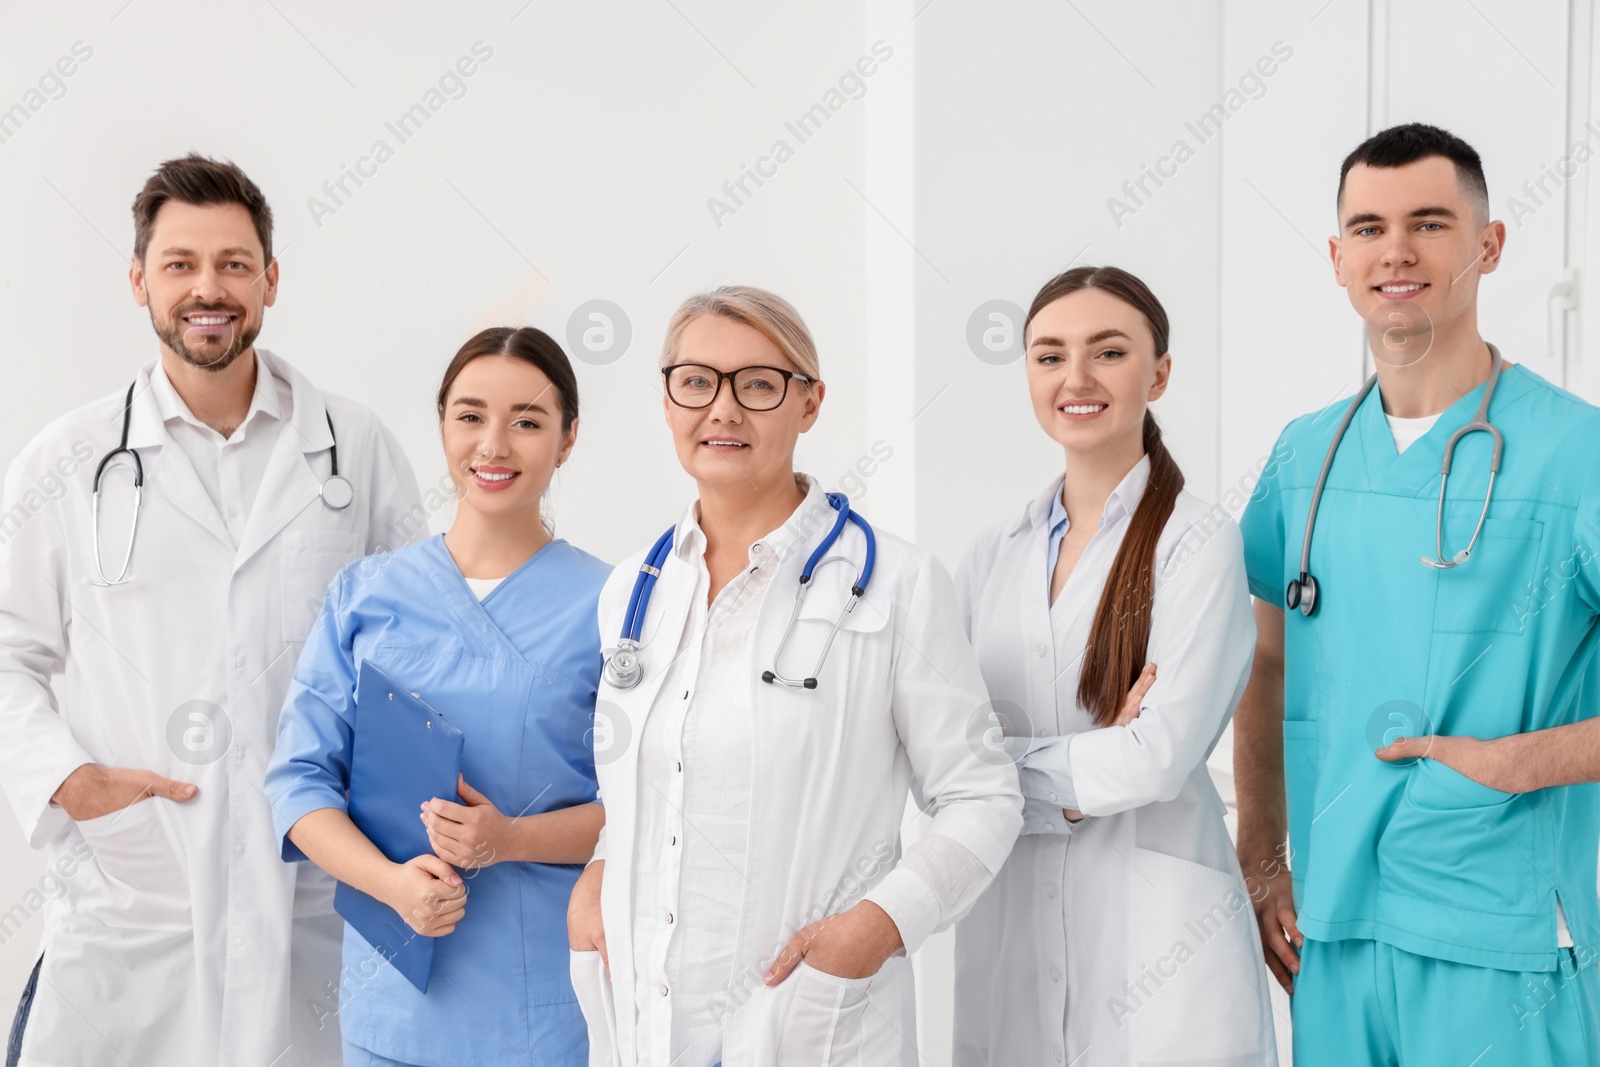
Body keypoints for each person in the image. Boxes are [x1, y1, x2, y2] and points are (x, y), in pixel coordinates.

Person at [0, 154, 421, 1066]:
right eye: (180, 263)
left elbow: (415, 657)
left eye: (234, 264)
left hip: (307, 890)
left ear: (270, 280)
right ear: (139, 282)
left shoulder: (355, 448)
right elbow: (6, 650)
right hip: (135, 893)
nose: (208, 289)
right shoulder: (67, 460)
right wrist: (69, 781)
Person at [563, 285, 1022, 1066]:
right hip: (649, 1016)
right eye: (697, 380)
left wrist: (879, 924)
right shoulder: (633, 589)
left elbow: (983, 797)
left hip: (809, 1021)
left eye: (759, 384)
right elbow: (653, 775)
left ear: (809, 404)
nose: (724, 409)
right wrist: (599, 870)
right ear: (669, 399)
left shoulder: (896, 584)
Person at [1235, 122, 1600, 1065]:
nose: (1395, 251)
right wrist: (1263, 849)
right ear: (1336, 256)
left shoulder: (1576, 453)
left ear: (1489, 245)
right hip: (1335, 929)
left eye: (1429, 223)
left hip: (1504, 932)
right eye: (1368, 228)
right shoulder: (1304, 455)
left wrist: (1516, 763)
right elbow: (1266, 664)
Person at [952, 266, 1278, 1065]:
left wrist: (998, 774)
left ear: (1159, 372)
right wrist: (1086, 768)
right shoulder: (990, 554)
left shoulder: (1199, 542)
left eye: (1108, 351)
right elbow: (937, 762)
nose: (1076, 378)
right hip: (1011, 935)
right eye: (1049, 355)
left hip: (1165, 955)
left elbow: (1155, 760)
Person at [264, 327, 609, 1067]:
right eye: (470, 415)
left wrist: (509, 840)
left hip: (541, 1013)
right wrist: (390, 884)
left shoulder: (612, 607)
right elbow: (297, 782)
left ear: (567, 437)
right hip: (392, 1009)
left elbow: (649, 809)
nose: (493, 444)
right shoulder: (366, 594)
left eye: (527, 420)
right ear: (443, 425)